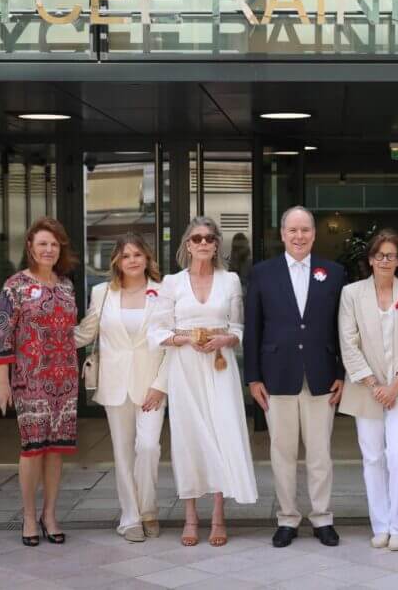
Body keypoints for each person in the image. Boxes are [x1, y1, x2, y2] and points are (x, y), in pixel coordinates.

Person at [149, 217, 257, 547]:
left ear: (217, 244)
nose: (204, 243)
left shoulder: (232, 281)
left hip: (220, 369)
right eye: (197, 238)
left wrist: (225, 341)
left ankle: (219, 517)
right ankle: (191, 517)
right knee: (189, 438)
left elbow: (239, 328)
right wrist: (183, 340)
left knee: (223, 436)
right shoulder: (171, 282)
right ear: (187, 244)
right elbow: (157, 330)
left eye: (210, 238)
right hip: (184, 368)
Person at [244, 205, 345, 548]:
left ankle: (322, 518)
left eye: (305, 230)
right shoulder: (262, 273)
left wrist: (342, 373)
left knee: (320, 454)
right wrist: (254, 378)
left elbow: (342, 328)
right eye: (293, 231)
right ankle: (287, 518)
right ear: (282, 234)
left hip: (321, 376)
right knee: (282, 453)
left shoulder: (333, 272)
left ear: (314, 234)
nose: (299, 236)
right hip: (277, 377)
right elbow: (253, 327)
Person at [338, 229, 398, 551]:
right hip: (367, 389)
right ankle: (380, 525)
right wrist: (375, 385)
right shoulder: (351, 294)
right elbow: (348, 344)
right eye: (379, 255)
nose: (385, 260)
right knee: (373, 456)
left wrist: (395, 385)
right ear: (370, 259)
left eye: (391, 255)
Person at [76, 234, 167, 544]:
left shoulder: (163, 291)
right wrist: (45, 333)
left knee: (148, 448)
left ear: (147, 258)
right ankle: (131, 517)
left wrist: (161, 384)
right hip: (115, 385)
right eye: (126, 255)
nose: (132, 260)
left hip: (152, 385)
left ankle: (149, 509)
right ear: (117, 260)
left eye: (138, 254)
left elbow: (170, 345)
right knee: (123, 453)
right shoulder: (102, 293)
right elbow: (85, 333)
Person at [0, 217, 79, 547]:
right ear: (30, 246)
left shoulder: (67, 285)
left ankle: (50, 514)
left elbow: (73, 331)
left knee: (55, 451)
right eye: (43, 243)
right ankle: (29, 516)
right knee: (32, 450)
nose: (49, 249)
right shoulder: (14, 286)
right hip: (29, 380)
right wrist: (3, 383)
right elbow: (3, 337)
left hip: (65, 380)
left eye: (54, 244)